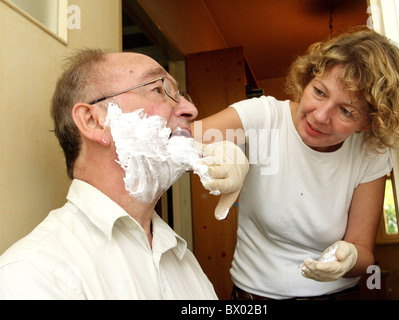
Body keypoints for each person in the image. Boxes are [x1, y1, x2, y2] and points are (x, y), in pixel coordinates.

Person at [0, 49, 248, 299]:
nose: (191, 109)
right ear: (92, 121)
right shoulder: (33, 273)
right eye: (159, 90)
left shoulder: (180, 258)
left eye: (182, 95)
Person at [193, 28, 399, 299]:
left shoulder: (369, 153)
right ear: (308, 79)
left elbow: (362, 249)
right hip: (254, 298)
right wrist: (220, 154)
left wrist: (350, 258)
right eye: (320, 92)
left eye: (346, 110)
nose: (321, 116)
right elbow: (175, 140)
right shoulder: (264, 118)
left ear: (367, 122)